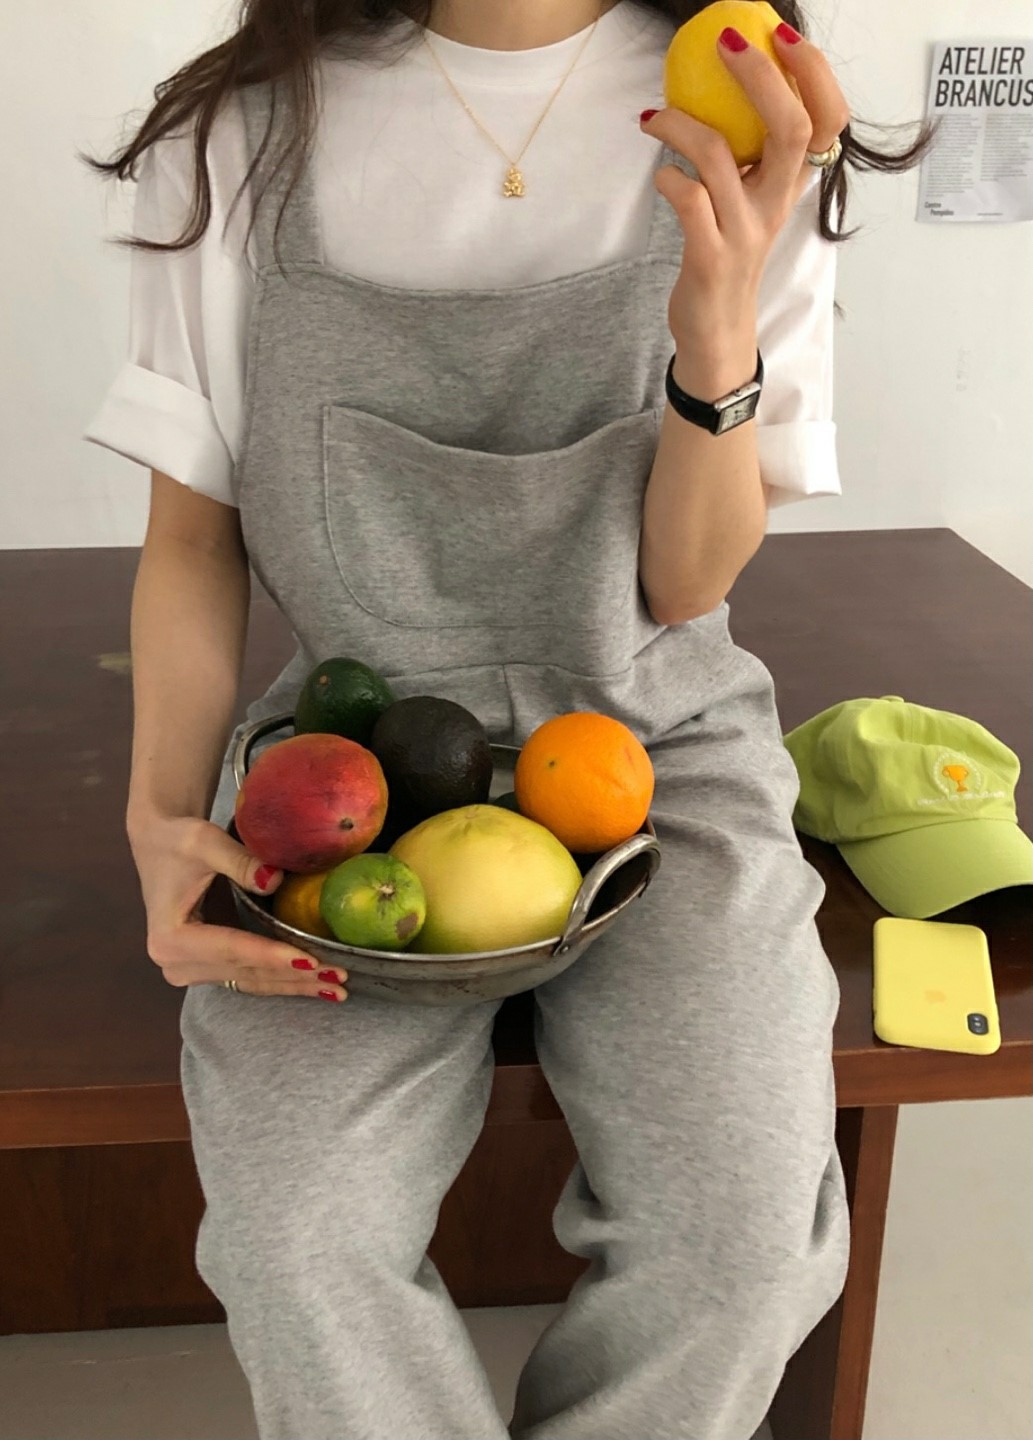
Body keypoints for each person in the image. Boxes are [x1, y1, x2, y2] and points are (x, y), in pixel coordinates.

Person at [82, 3, 931, 1437]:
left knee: (739, 1245)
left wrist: (716, 326)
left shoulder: (755, 111)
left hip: (654, 755)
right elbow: (191, 541)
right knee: (297, 1243)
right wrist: (160, 818)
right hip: (348, 771)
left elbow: (687, 583)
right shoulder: (235, 132)